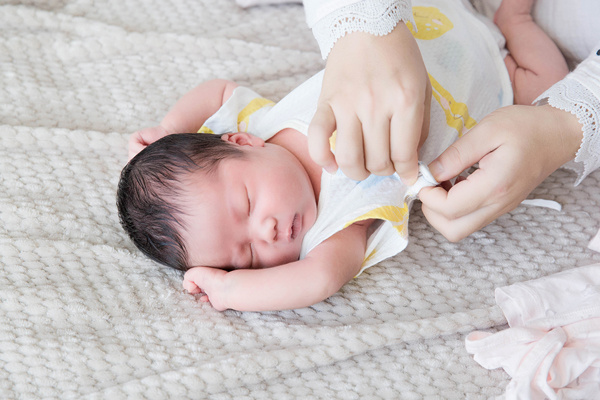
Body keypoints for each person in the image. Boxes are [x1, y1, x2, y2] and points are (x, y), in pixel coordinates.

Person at [118, 0, 568, 311]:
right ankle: (515, 19)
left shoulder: (261, 125)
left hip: (405, 19)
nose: (267, 232)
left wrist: (168, 128)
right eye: (248, 255)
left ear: (241, 142)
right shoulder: (333, 225)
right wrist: (231, 289)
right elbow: (320, 279)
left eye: (248, 204)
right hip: (499, 85)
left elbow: (215, 90)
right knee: (550, 82)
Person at [306, 0, 599, 242]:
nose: (278, 235)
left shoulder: (289, 138)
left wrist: (567, 125)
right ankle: (515, 19)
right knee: (543, 84)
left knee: (546, 85)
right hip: (496, 66)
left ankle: (515, 18)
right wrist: (360, 21)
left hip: (450, 22)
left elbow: (319, 277)